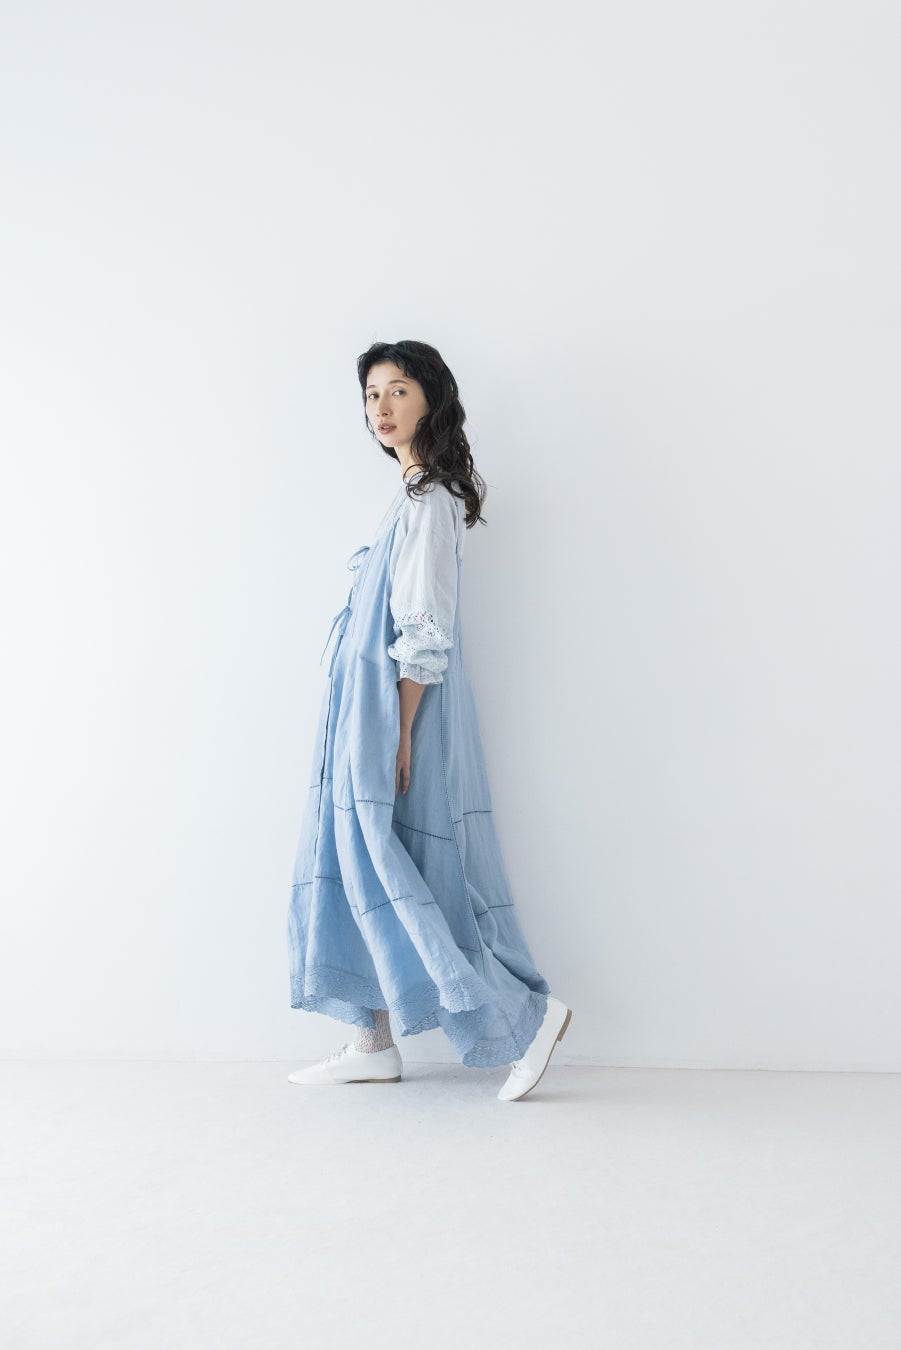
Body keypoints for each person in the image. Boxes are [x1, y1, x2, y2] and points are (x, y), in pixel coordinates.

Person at [286, 339, 572, 1101]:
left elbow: (424, 627)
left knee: (403, 868)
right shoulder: (406, 497)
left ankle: (527, 1016)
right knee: (356, 862)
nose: (380, 408)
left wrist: (400, 732)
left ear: (431, 400)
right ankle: (370, 1042)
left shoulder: (429, 501)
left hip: (394, 711)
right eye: (371, 394)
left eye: (398, 391)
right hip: (364, 710)